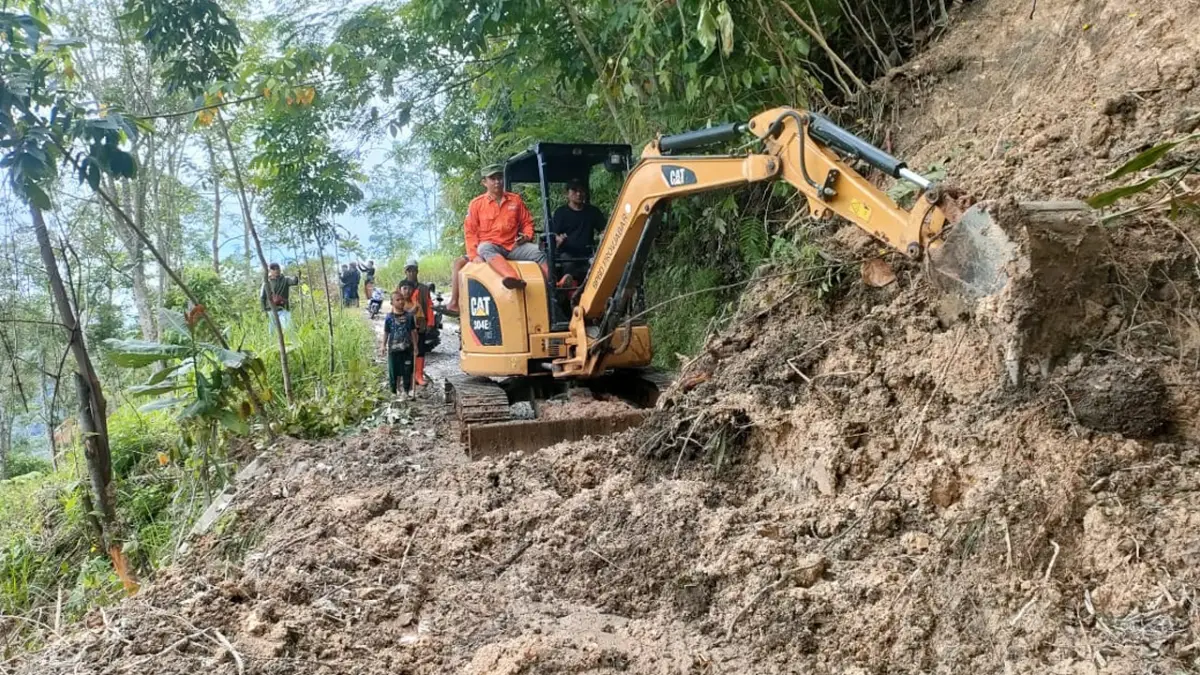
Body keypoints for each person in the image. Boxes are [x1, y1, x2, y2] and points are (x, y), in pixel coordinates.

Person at [447, 164, 547, 314]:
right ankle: (511, 278)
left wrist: (526, 236)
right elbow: (470, 232)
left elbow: (527, 223)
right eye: (492, 178)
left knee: (539, 252)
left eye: (499, 178)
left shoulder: (515, 200)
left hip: (513, 246)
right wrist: (474, 257)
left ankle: (554, 285)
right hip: (490, 248)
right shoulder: (476, 204)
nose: (497, 182)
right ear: (484, 182)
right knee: (483, 247)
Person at [549, 179, 607, 285]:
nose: (579, 194)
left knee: (600, 265)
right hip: (567, 254)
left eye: (581, 191)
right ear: (567, 193)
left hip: (588, 253)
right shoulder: (560, 213)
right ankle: (569, 293)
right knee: (568, 264)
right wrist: (558, 239)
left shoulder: (593, 212)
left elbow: (604, 230)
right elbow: (553, 234)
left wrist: (604, 236)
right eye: (575, 190)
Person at [382, 284, 419, 399]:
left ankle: (407, 390)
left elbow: (413, 331)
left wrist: (415, 346)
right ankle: (394, 391)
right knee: (394, 371)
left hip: (407, 349)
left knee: (407, 370)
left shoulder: (409, 317)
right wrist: (383, 345)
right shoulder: (389, 317)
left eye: (402, 299)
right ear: (392, 303)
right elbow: (386, 332)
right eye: (398, 300)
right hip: (393, 349)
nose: (401, 302)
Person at [402, 259, 435, 386]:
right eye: (408, 270)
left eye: (413, 270)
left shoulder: (424, 289)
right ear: (405, 272)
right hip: (405, 325)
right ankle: (408, 375)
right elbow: (396, 303)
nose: (411, 273)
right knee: (406, 350)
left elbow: (429, 306)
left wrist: (430, 323)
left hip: (420, 324)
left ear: (417, 271)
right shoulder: (402, 286)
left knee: (420, 350)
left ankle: (419, 375)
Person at [260, 262, 300, 333]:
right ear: (270, 271)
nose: (276, 270)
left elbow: (294, 281)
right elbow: (262, 297)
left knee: (288, 329)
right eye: (274, 269)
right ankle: (272, 344)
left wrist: (297, 275)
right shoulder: (266, 282)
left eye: (277, 268)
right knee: (271, 332)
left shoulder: (285, 279)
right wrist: (264, 310)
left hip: (283, 309)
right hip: (271, 310)